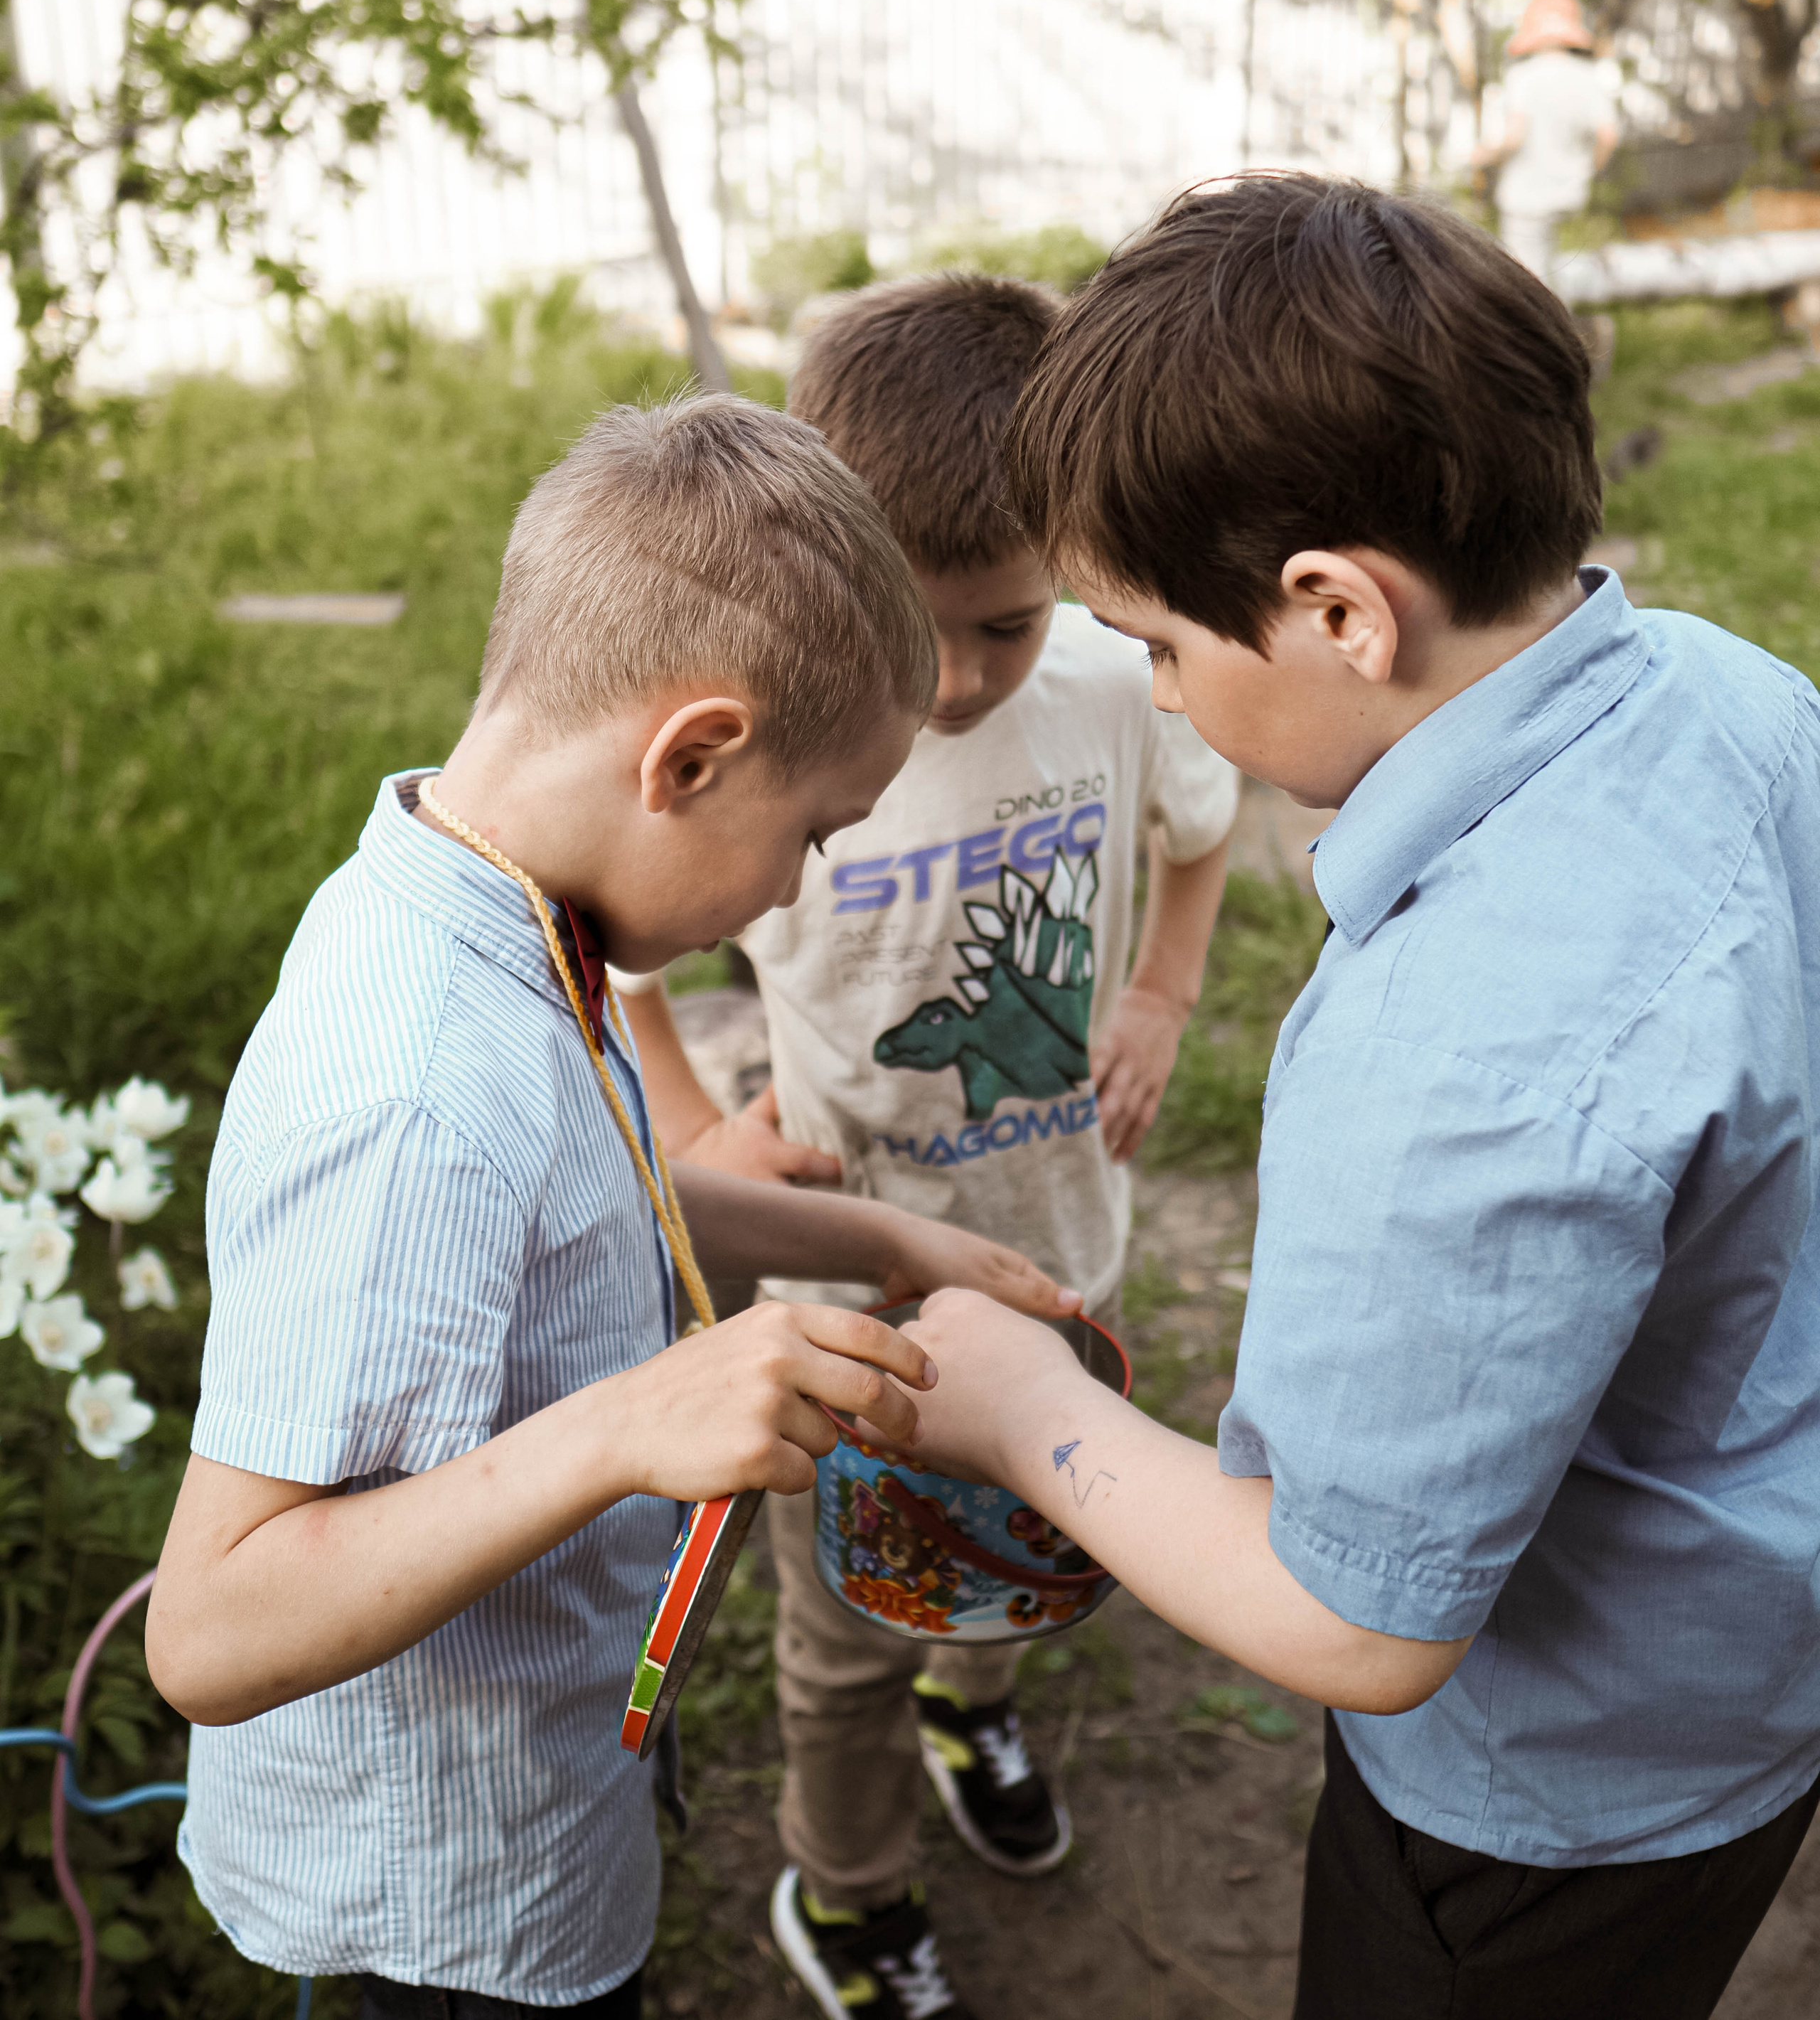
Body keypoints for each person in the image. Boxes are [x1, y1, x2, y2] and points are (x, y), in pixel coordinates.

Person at [899, 176, 1820, 2020]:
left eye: (1161, 644)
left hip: (1549, 1801)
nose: (1157, 701)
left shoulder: (1469, 1045)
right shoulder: (1734, 697)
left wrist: (1015, 1416)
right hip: (1749, 1676)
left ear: (1336, 609)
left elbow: (1358, 1618)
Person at [144, 397, 1080, 2020]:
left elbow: (587, 1217)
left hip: (549, 1757)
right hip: (452, 1886)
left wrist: (875, 1244)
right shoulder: (415, 1091)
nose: (790, 891)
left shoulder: (513, 908)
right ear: (692, 755)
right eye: (806, 835)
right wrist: (624, 1426)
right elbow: (213, 1630)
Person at [617, 277, 1238, 2020]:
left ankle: (976, 1698)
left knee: (1014, 1514)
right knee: (837, 1629)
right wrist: (690, 1131)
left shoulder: (1120, 682)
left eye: (1008, 624)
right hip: (841, 1277)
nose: (961, 677)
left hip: (1051, 1231)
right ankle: (852, 1885)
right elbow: (632, 960)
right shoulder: (782, 721)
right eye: (926, 624)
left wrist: (1166, 995)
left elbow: (1199, 833)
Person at [1476, 0, 1618, 292]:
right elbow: (1608, 135)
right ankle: (1574, 330)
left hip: (1527, 196)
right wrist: (1588, 168)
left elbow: (1514, 138)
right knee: (1553, 271)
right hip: (1569, 191)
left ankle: (1543, 338)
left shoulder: (1524, 77)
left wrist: (1483, 156)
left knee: (1528, 283)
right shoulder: (1589, 76)